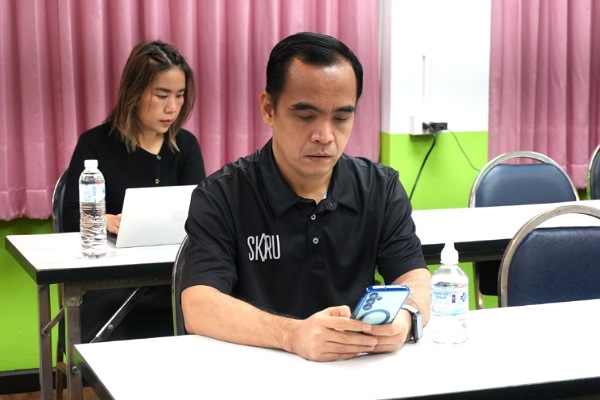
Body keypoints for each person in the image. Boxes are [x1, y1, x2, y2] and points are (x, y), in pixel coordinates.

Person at [181, 32, 430, 362]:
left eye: (341, 117)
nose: (325, 136)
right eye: (305, 116)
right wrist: (292, 335)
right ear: (269, 109)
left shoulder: (380, 189)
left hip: (355, 368)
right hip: (257, 367)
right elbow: (198, 303)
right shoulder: (222, 196)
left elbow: (415, 278)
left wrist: (406, 318)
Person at [62, 39, 206, 342]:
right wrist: (102, 221)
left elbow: (199, 215)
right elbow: (70, 216)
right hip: (109, 284)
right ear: (135, 92)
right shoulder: (95, 144)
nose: (172, 107)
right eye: (162, 95)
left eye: (180, 95)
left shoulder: (186, 146)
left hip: (171, 280)